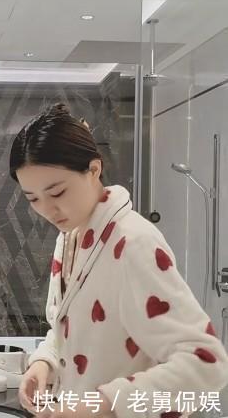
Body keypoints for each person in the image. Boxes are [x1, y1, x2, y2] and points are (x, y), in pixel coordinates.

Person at [12, 103, 228, 418]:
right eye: (32, 199)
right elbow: (67, 331)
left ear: (93, 170)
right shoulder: (69, 238)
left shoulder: (133, 243)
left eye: (57, 193)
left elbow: (207, 364)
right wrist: (43, 363)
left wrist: (102, 406)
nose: (47, 210)